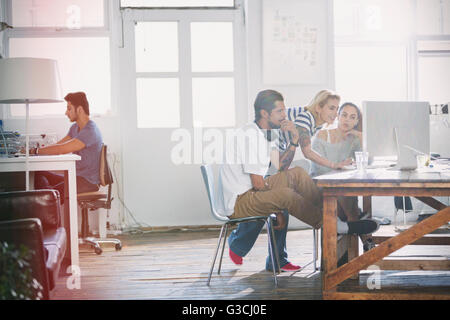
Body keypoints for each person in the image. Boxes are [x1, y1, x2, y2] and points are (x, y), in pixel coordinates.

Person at [221, 90, 379, 272]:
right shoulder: (252, 136)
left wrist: (294, 140)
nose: (285, 115)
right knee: (287, 195)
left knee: (297, 173)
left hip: (252, 188)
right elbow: (258, 183)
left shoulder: (270, 133)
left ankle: (331, 216)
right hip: (239, 199)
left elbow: (280, 166)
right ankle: (335, 224)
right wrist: (276, 208)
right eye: (280, 111)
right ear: (265, 114)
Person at [311, 102, 377, 251]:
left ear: (356, 121)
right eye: (344, 115)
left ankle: (352, 227)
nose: (347, 120)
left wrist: (361, 137)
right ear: (338, 116)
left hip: (340, 190)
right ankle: (366, 239)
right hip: (319, 188)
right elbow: (318, 168)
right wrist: (338, 165)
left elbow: (369, 161)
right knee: (349, 202)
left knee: (346, 198)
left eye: (352, 117)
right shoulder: (322, 134)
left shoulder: (353, 140)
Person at [32, 92, 103, 202]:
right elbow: (59, 145)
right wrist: (37, 151)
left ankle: (47, 200)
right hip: (75, 177)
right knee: (38, 173)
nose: (66, 113)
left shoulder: (90, 130)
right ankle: (47, 196)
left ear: (79, 109)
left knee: (47, 196)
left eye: (69, 109)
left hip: (87, 182)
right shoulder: (75, 128)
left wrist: (35, 151)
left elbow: (61, 149)